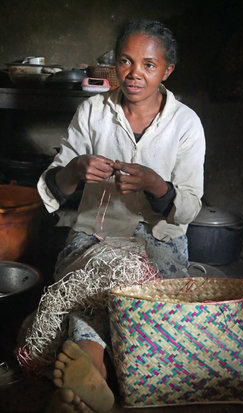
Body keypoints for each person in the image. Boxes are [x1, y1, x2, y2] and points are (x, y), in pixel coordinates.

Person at [38, 19, 206, 413]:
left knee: (144, 304)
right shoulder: (93, 112)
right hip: (96, 234)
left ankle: (90, 361)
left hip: (158, 238)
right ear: (115, 64)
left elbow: (190, 205)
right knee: (84, 288)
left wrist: (155, 184)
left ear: (167, 71)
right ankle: (93, 368)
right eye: (126, 62)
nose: (134, 74)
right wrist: (75, 169)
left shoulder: (186, 124)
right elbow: (55, 187)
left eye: (149, 65)